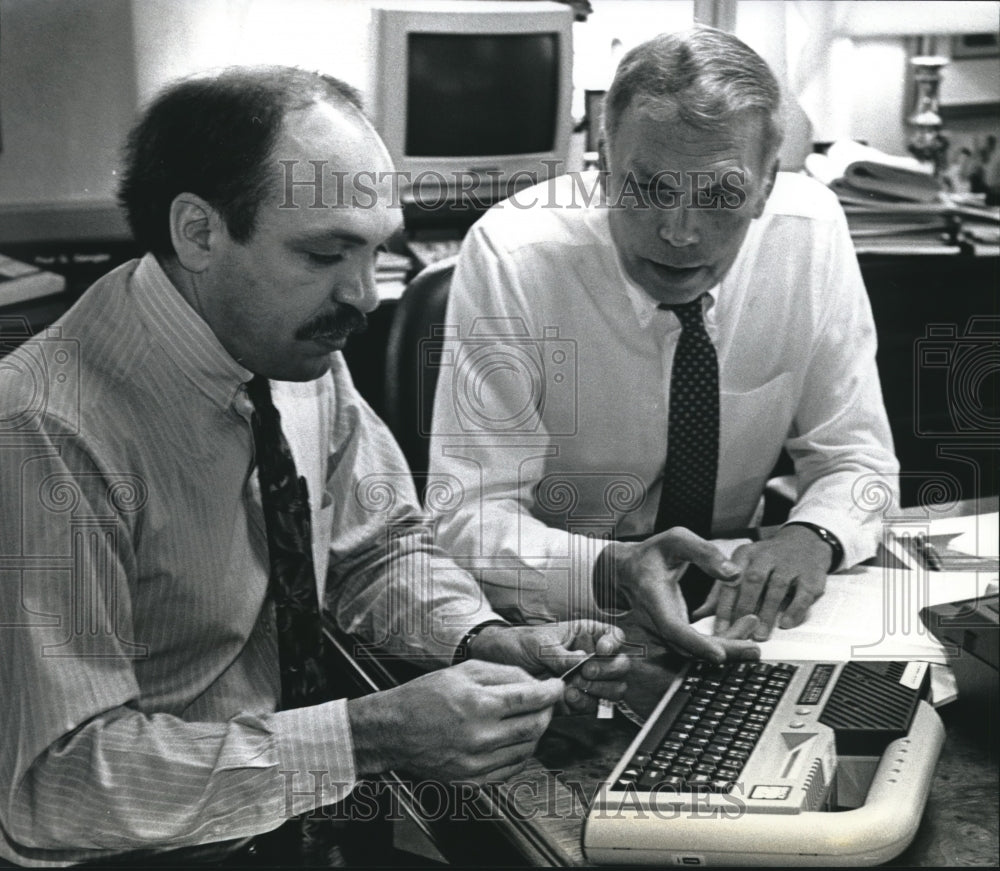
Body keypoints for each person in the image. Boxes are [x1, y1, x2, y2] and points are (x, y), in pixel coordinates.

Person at [0, 66, 642, 867]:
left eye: (375, 252)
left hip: (312, 821)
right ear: (198, 232)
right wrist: (363, 735)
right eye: (327, 252)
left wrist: (479, 637)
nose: (366, 296)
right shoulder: (42, 430)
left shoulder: (290, 343)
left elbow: (375, 549)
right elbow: (54, 790)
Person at [427, 27, 899, 649]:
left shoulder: (810, 234)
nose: (679, 232)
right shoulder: (513, 254)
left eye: (721, 194)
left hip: (735, 597)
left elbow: (857, 457)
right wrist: (609, 570)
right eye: (648, 187)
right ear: (601, 164)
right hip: (565, 606)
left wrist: (817, 534)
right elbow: (467, 513)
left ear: (765, 185)